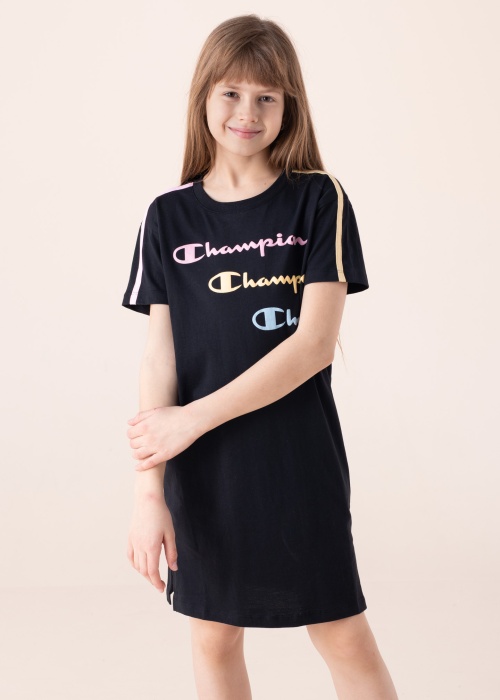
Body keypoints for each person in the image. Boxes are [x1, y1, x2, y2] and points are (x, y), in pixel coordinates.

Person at [121, 13, 399, 700]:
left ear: (288, 105)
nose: (247, 112)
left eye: (266, 96)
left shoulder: (319, 200)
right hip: (203, 473)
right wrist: (149, 494)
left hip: (297, 461)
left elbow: (312, 346)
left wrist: (192, 419)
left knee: (342, 633)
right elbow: (160, 360)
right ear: (204, 98)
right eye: (231, 93)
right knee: (213, 637)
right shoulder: (167, 217)